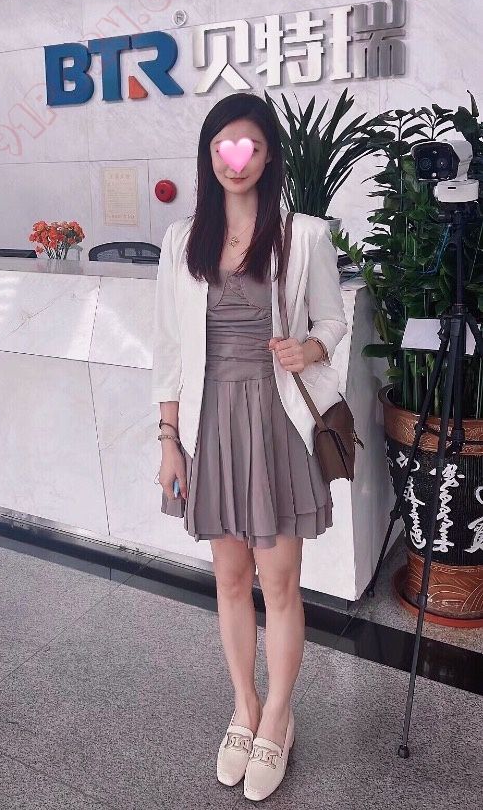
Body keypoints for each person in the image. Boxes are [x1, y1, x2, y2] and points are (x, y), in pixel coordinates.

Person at [151, 91, 347, 801]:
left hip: (275, 424)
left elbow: (334, 320)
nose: (236, 161)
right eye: (224, 147)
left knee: (280, 583)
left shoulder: (304, 236)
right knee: (229, 580)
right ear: (209, 156)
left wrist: (309, 348)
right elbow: (169, 349)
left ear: (268, 157)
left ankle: (278, 717)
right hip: (210, 425)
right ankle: (244, 706)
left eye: (250, 147)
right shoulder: (182, 240)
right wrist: (169, 440)